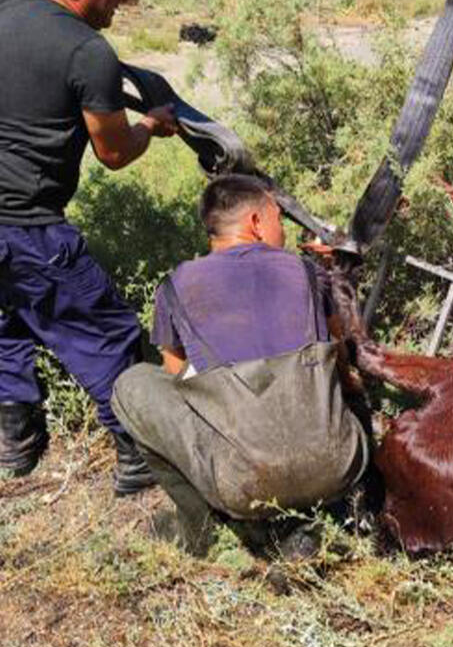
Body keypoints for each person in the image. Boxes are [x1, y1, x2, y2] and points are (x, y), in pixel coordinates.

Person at [111, 174, 370, 557]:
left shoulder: (174, 287)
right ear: (255, 222)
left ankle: (201, 532)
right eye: (278, 218)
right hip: (341, 464)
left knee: (132, 384)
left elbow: (177, 373)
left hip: (244, 484)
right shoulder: (305, 271)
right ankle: (330, 509)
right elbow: (339, 347)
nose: (281, 228)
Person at [0, 0, 178, 491]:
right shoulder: (86, 50)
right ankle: (139, 455)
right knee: (106, 336)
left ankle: (16, 443)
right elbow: (115, 153)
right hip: (29, 226)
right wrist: (151, 125)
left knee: (8, 322)